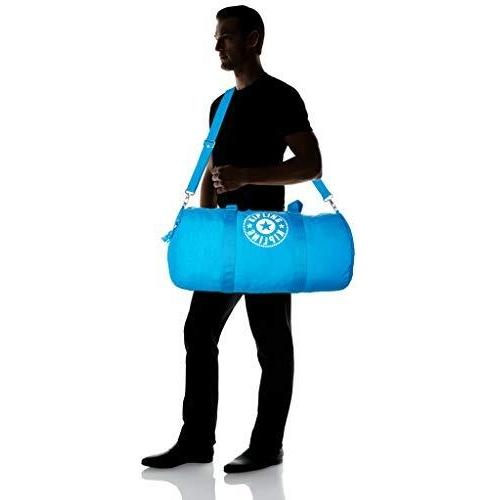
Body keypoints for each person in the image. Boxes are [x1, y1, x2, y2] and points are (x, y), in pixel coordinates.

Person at [142, 5, 322, 473]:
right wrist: (206, 227)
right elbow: (214, 169)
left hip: (265, 238)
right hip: (224, 241)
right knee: (198, 331)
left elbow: (311, 165)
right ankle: (196, 441)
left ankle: (267, 447)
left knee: (271, 342)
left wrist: (249, 175)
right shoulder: (220, 104)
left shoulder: (281, 96)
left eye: (225, 36)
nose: (217, 45)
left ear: (252, 39)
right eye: (216, 37)